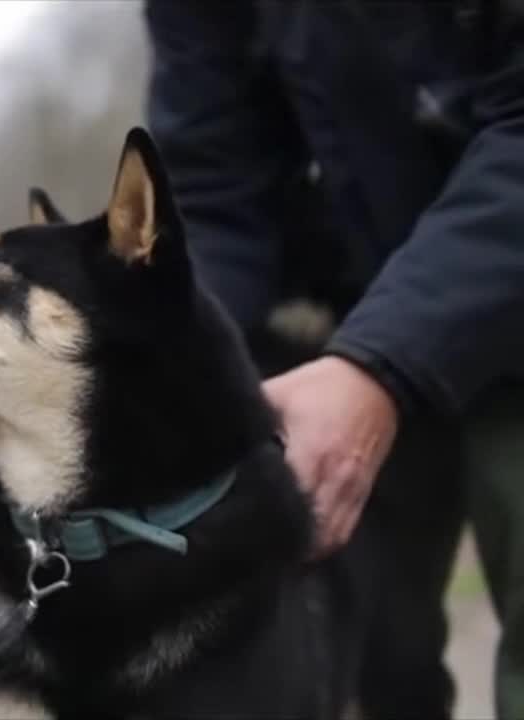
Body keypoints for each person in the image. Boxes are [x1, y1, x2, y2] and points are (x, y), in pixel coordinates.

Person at [144, 1, 524, 717]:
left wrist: (382, 361)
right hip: (364, 303)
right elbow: (215, 182)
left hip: (416, 320)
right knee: (375, 652)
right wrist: (179, 377)